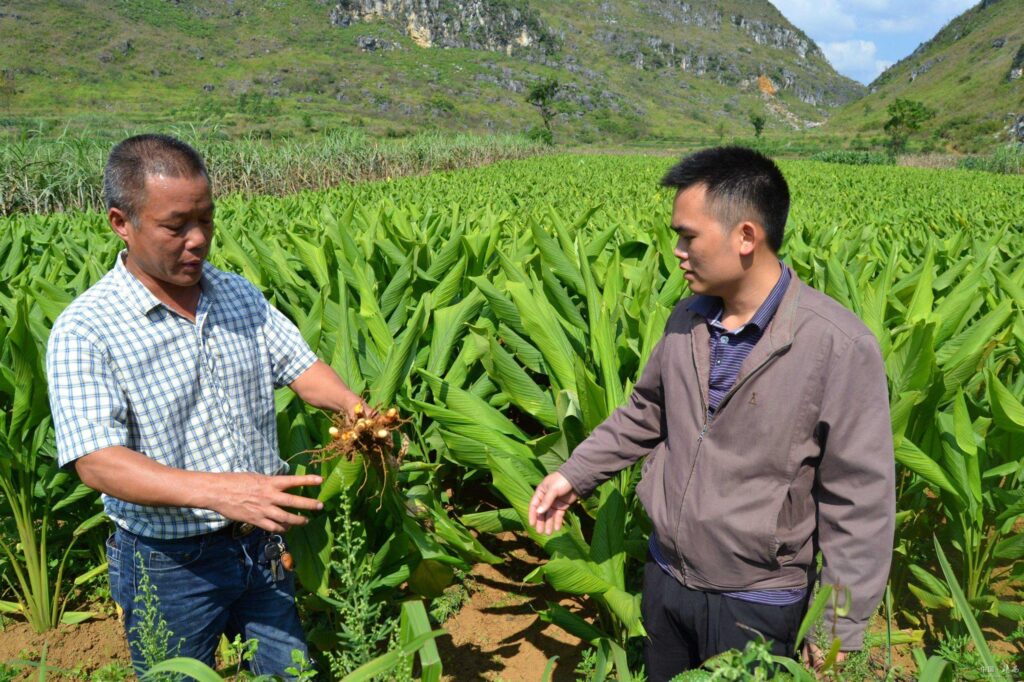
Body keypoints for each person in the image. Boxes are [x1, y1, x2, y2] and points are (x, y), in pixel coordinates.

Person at [528, 146, 895, 680]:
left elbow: (859, 500)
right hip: (667, 578)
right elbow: (645, 411)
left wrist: (836, 626)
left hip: (759, 601)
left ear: (746, 236)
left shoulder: (837, 345)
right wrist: (573, 474)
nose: (676, 250)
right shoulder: (688, 316)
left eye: (688, 235)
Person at [46, 134, 365, 676]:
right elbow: (95, 460)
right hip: (169, 564)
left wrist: (362, 415)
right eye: (176, 227)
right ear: (121, 222)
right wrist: (221, 491)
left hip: (261, 546)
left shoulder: (236, 293)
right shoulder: (86, 328)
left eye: (207, 221)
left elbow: (304, 371)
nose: (198, 240)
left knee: (289, 673)